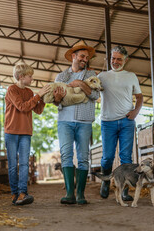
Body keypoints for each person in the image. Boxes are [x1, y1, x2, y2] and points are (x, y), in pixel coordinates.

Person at [53, 40, 100, 205]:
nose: (84, 59)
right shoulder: (61, 76)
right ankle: (69, 194)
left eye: (86, 57)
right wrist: (57, 99)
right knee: (66, 155)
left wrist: (80, 84)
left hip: (84, 121)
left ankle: (80, 194)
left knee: (83, 157)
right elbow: (56, 101)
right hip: (64, 121)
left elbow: (95, 96)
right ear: (73, 56)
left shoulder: (91, 75)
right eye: (82, 56)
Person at [97, 45, 143, 201]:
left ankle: (125, 190)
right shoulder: (102, 76)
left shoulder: (131, 76)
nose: (115, 62)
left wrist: (135, 112)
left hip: (126, 121)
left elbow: (139, 97)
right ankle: (105, 182)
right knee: (107, 157)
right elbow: (91, 91)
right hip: (107, 122)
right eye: (113, 58)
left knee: (126, 157)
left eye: (119, 59)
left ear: (125, 60)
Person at [4, 62, 51, 205]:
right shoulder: (12, 90)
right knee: (13, 164)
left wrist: (43, 98)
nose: (32, 79)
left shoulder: (30, 92)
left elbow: (37, 110)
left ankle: (22, 193)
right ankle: (14, 194)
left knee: (24, 164)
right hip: (11, 131)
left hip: (25, 132)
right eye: (30, 76)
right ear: (21, 76)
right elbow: (22, 107)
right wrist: (38, 95)